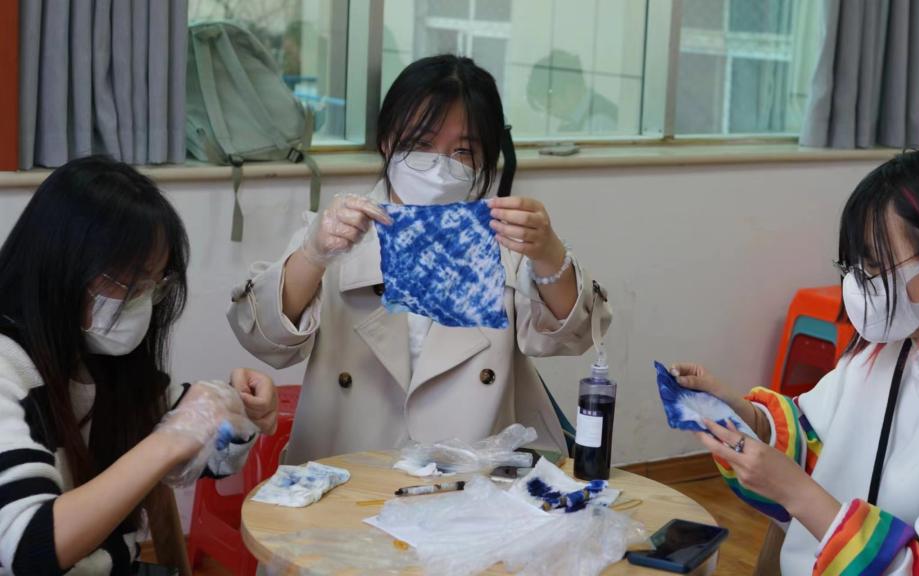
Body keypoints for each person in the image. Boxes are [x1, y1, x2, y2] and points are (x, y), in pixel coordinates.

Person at [228, 54, 610, 464]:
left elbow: (574, 335)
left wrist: (549, 252)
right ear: (387, 141)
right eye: (420, 144)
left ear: (486, 158)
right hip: (348, 468)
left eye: (463, 151)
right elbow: (262, 336)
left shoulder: (505, 244)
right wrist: (313, 254)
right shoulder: (334, 234)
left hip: (471, 474)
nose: (439, 165)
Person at [672, 147, 919, 574]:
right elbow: (817, 444)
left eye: (873, 265)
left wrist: (796, 491)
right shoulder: (885, 353)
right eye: (852, 265)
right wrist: (740, 414)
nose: (857, 284)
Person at [0, 156, 278, 574]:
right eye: (127, 283)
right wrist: (169, 441)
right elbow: (28, 549)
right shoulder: (9, 369)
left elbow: (214, 461)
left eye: (153, 284)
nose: (142, 301)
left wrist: (237, 411)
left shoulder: (103, 360)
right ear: (60, 265)